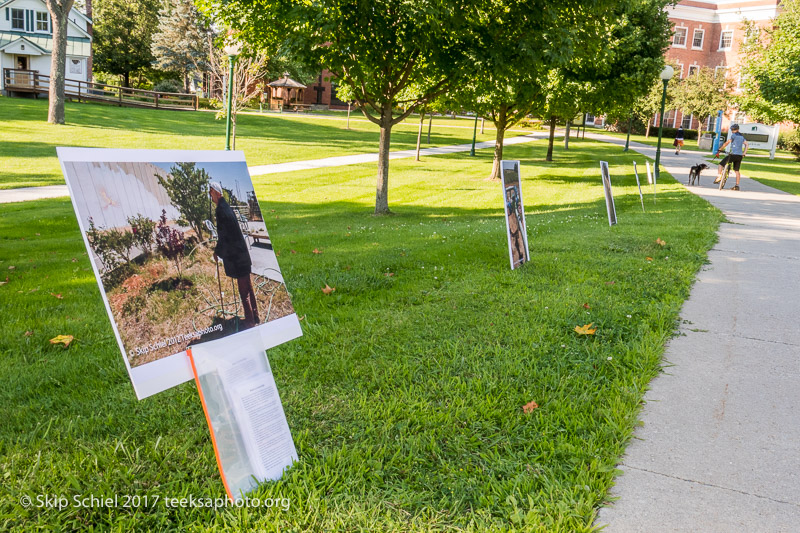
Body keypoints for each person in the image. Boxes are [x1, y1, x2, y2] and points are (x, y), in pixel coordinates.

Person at [209, 182, 260, 328]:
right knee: (248, 288)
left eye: (211, 192)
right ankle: (255, 316)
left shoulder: (221, 211)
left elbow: (224, 236)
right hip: (242, 255)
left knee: (244, 292)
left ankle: (250, 322)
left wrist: (217, 252)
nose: (210, 196)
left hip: (238, 258)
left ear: (218, 193)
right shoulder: (226, 208)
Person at [714, 123, 749, 191]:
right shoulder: (742, 137)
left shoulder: (733, 135)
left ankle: (719, 176)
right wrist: (744, 153)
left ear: (732, 130)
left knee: (721, 164)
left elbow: (727, 143)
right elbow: (747, 145)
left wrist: (720, 149)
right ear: (738, 129)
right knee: (737, 170)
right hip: (739, 156)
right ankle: (737, 185)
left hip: (733, 155)